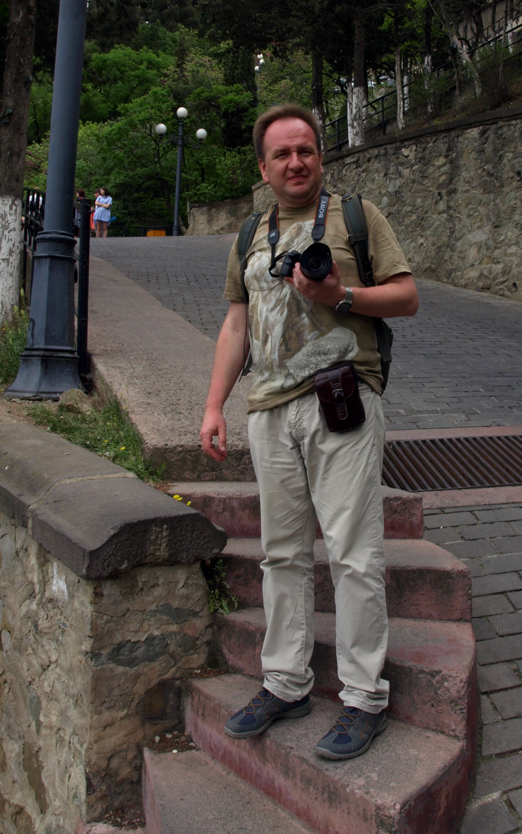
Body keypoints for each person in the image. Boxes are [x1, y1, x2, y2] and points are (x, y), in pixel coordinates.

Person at [199, 104, 419, 761]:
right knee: (282, 554)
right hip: (268, 410)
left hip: (341, 398)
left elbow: (406, 297)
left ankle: (362, 698)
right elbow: (237, 326)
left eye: (307, 151)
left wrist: (340, 297)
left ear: (321, 156)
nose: (297, 162)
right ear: (263, 169)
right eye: (283, 155)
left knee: (353, 552)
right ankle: (287, 681)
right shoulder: (247, 235)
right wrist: (214, 405)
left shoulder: (358, 217)